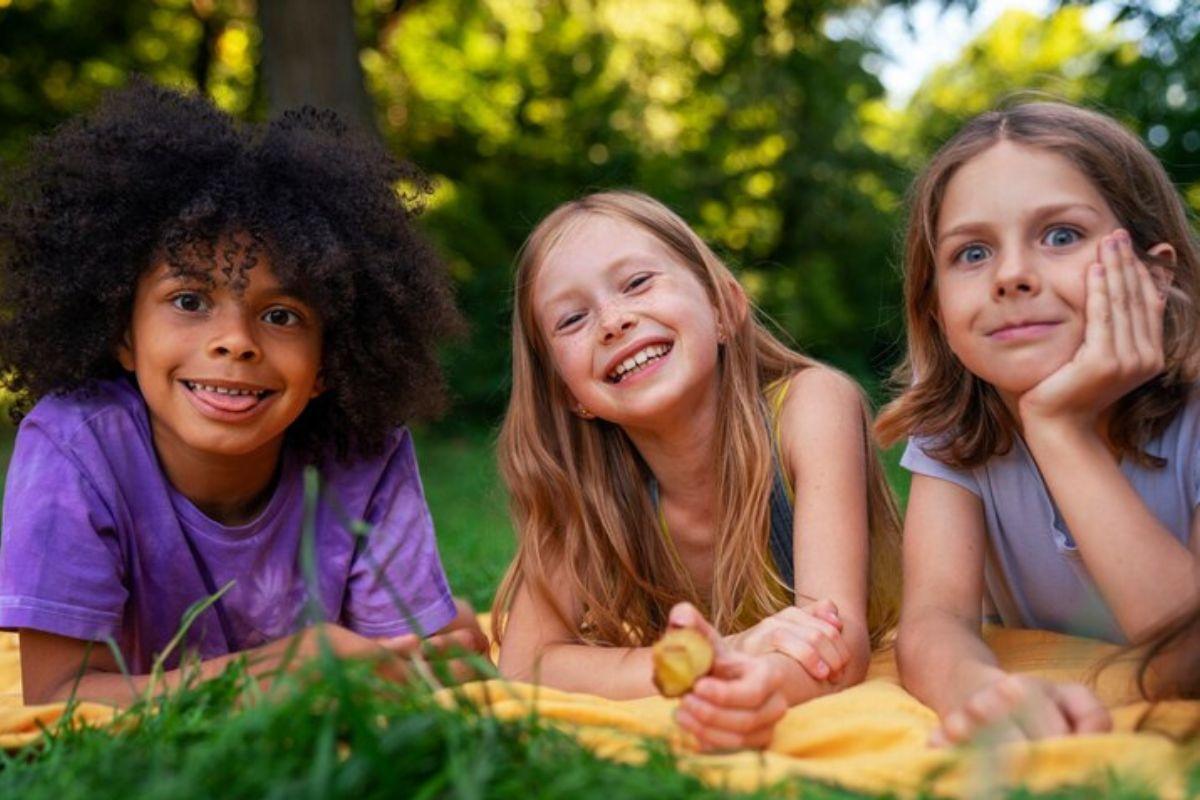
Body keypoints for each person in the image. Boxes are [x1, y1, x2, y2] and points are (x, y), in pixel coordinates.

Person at [0, 81, 485, 706]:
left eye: (282, 315)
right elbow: (59, 699)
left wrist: (436, 654)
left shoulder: (366, 454)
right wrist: (287, 668)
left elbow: (413, 669)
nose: (235, 341)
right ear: (124, 332)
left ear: (329, 362)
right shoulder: (76, 447)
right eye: (189, 301)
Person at [492, 190, 902, 751]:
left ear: (723, 309)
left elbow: (836, 642)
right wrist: (721, 658)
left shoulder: (811, 408)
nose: (613, 321)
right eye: (572, 319)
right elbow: (523, 666)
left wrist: (753, 686)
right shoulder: (588, 486)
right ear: (567, 395)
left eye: (637, 283)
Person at [875, 101, 1200, 745]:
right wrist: (980, 691)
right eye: (972, 253)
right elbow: (934, 620)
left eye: (1060, 236)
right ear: (937, 308)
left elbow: (1187, 660)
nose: (1013, 276)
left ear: (1153, 274)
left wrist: (1058, 428)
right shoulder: (953, 433)